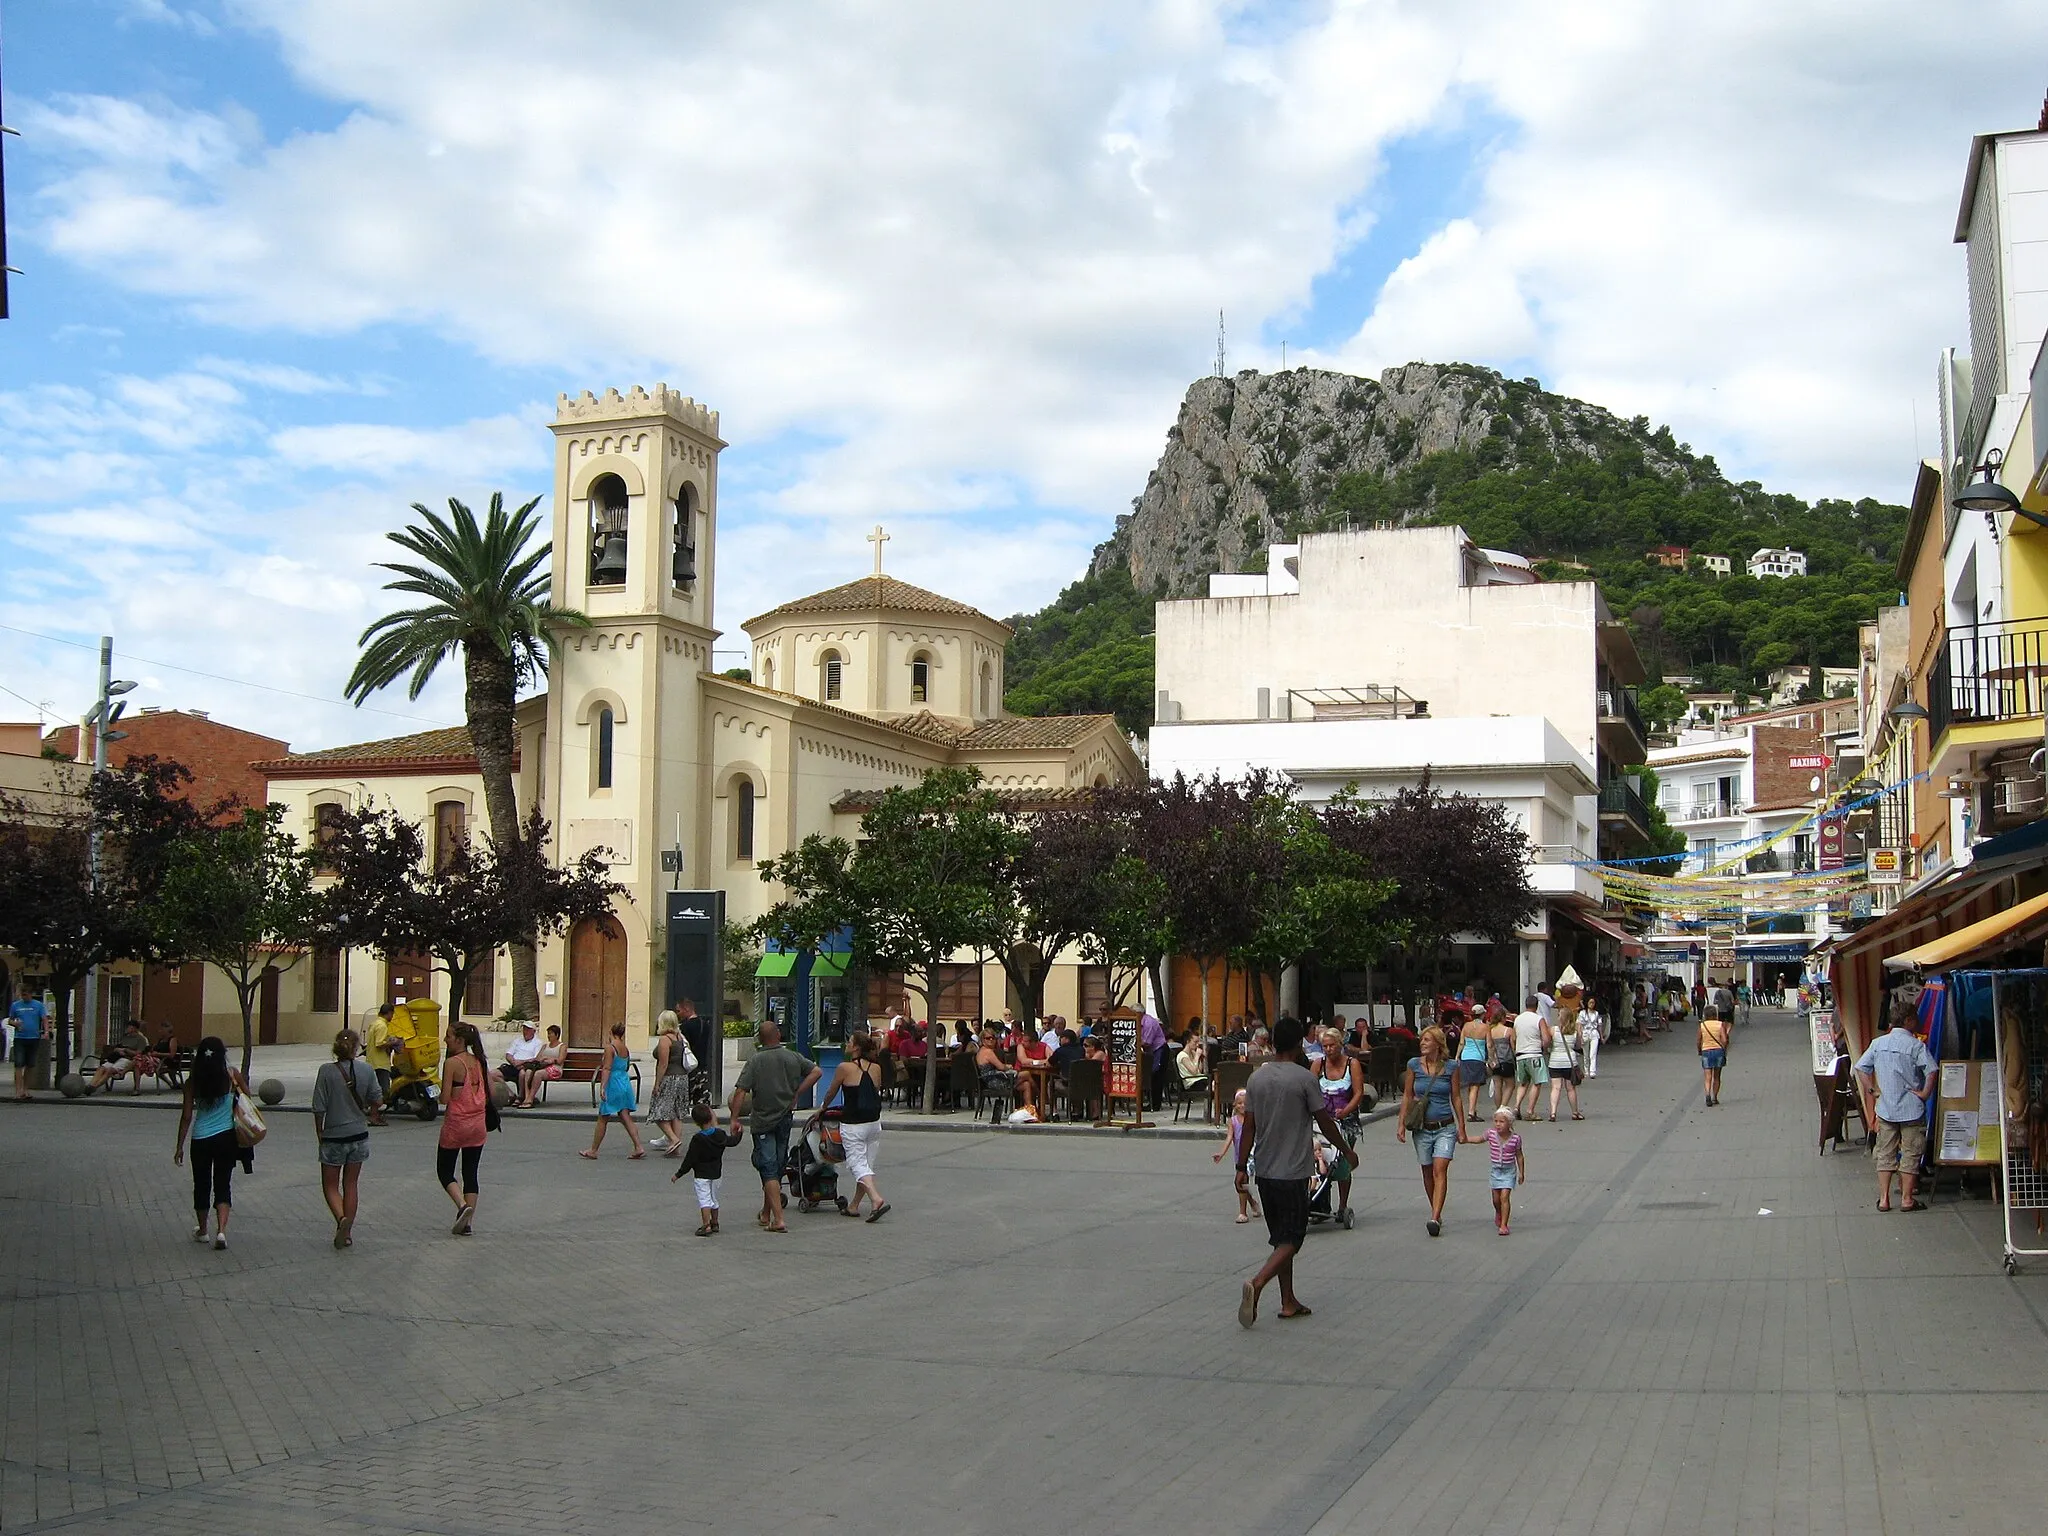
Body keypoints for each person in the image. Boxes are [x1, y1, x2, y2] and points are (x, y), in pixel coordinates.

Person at [1234, 1019, 1356, 1326]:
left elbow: (1248, 1126)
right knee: (1293, 1239)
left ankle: (1288, 1301)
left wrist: (1239, 1168)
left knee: (1280, 1238)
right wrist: (1346, 1150)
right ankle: (1257, 1283)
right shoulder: (1304, 1079)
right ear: (1299, 1044)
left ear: (1274, 1043)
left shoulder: (1257, 1079)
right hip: (1294, 1171)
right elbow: (1325, 1121)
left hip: (1264, 1170)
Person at [728, 1019, 820, 1231]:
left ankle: (778, 1219)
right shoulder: (792, 1056)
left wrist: (734, 1119)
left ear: (760, 1039)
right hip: (784, 1118)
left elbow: (741, 1091)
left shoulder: (755, 1061)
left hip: (762, 1121)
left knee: (767, 1166)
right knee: (777, 1164)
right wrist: (797, 1092)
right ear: (778, 1035)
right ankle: (766, 1212)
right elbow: (816, 1072)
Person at [1856, 999, 1936, 1212]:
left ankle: (1884, 1199)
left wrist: (1872, 1090)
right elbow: (1932, 1071)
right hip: (1912, 1107)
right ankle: (1907, 1199)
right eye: (1915, 1019)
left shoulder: (1878, 1043)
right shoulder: (1916, 1045)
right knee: (1911, 1153)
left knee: (1885, 1152)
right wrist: (1925, 1093)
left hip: (1886, 1107)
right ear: (1908, 1020)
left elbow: (1861, 1068)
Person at [311, 1028, 383, 1248]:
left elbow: (318, 1107)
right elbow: (377, 1099)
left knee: (330, 1186)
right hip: (359, 1135)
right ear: (356, 1047)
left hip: (334, 1135)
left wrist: (319, 1132)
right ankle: (348, 1232)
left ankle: (341, 1218)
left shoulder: (326, 1071)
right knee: (351, 1183)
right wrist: (371, 1112)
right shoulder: (366, 1069)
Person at [1397, 1025, 1470, 1236]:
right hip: (1421, 1128)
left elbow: (1456, 1097)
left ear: (1438, 1044)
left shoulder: (1451, 1067)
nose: (1422, 1044)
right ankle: (1434, 1209)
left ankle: (1435, 1217)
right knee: (1427, 1172)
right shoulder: (1414, 1065)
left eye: (1427, 1040)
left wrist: (1462, 1126)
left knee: (1440, 1169)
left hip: (1445, 1126)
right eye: (1421, 1040)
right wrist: (1401, 1124)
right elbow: (1407, 1095)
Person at [175, 1037, 246, 1249]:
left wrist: (179, 1145)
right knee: (223, 1183)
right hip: (226, 1138)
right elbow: (247, 1098)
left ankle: (203, 1230)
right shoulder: (231, 1075)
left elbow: (187, 1116)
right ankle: (222, 1231)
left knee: (202, 1184)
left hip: (200, 1139)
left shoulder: (192, 1083)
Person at [819, 1030, 889, 1221]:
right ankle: (854, 1206)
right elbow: (875, 1090)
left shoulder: (844, 1068)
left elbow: (832, 1091)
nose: (847, 1044)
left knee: (857, 1165)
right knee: (865, 1166)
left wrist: (823, 1107)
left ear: (856, 1047)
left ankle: (876, 1199)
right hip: (873, 1123)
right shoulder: (876, 1068)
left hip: (853, 1123)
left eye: (850, 1041)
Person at [438, 1022, 491, 1235]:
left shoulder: (452, 1063)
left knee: (444, 1170)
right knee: (471, 1172)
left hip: (456, 1123)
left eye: (448, 1036)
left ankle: (462, 1205)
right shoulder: (479, 1061)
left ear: (459, 1040)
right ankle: (467, 1225)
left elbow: (444, 1098)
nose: (445, 1040)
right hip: (477, 1123)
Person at [1316, 1027, 1365, 1223]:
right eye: (1325, 1046)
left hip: (1346, 1122)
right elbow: (1309, 1088)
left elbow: (1359, 1092)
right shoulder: (1318, 1064)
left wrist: (1346, 1110)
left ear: (1340, 1044)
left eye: (1332, 1045)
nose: (1328, 1050)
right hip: (1322, 1121)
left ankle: (1342, 1204)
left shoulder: (1352, 1064)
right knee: (1321, 1157)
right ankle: (1320, 1201)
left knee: (1342, 1160)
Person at [671, 1103, 743, 1235]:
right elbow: (733, 1142)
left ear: (696, 1122)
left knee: (704, 1199)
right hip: (716, 1173)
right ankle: (715, 1222)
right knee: (714, 1198)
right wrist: (739, 1133)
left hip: (701, 1174)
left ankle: (706, 1225)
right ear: (711, 1118)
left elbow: (690, 1160)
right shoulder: (720, 1135)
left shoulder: (697, 1139)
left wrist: (678, 1174)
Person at [581, 1022, 646, 1160]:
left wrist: (603, 1086)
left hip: (613, 1082)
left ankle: (594, 1150)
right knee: (625, 1115)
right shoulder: (625, 1049)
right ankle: (638, 1145)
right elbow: (627, 1066)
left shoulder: (610, 1048)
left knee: (603, 1116)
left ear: (611, 1032)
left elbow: (607, 1068)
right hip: (624, 1081)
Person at [648, 1011, 696, 1154]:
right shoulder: (679, 1037)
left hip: (670, 1077)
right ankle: (675, 1146)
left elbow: (663, 1064)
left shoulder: (665, 1039)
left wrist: (657, 1083)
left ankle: (673, 1139)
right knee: (676, 1112)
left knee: (658, 1112)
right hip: (682, 1077)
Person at [1214, 1087, 1261, 1223]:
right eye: (1239, 1103)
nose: (1242, 1106)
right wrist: (1221, 1153)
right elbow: (1229, 1138)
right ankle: (1246, 1207)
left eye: (1245, 1103)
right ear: (1234, 1105)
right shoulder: (1233, 1121)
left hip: (1254, 1154)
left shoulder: (1253, 1119)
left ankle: (1246, 1207)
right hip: (1240, 1157)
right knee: (1240, 1182)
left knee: (1245, 1181)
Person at [1486, 1105, 1526, 1236]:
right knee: (1496, 1200)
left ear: (1509, 1123)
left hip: (1509, 1172)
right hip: (1495, 1171)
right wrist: (1465, 1139)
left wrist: (1521, 1173)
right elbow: (1479, 1139)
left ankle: (1504, 1225)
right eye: (1496, 1121)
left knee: (1504, 1197)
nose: (1498, 1124)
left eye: (1501, 1122)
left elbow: (1519, 1156)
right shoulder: (1491, 1134)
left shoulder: (1515, 1139)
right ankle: (1499, 1212)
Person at [88, 1021, 154, 1095]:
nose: (127, 1028)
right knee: (101, 1068)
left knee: (110, 1070)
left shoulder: (141, 1039)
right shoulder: (125, 1037)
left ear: (134, 1028)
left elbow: (138, 1053)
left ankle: (95, 1087)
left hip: (127, 1058)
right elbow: (117, 1047)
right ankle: (91, 1085)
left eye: (128, 1027)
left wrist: (126, 1050)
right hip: (116, 1057)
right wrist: (118, 1050)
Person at [1511, 996, 1549, 1120]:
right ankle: (1530, 1110)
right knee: (1536, 1083)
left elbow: (1513, 1038)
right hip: (1534, 1054)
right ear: (1537, 1005)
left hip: (1520, 1055)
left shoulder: (1518, 1019)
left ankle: (1516, 1107)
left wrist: (1515, 1050)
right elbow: (1546, 1038)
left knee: (1523, 1083)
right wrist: (1544, 1048)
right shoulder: (1539, 1019)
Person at [10, 983, 47, 1101]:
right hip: (20, 1038)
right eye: (22, 995)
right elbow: (10, 1019)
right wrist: (14, 1023)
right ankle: (18, 1091)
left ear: (30, 994)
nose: (24, 997)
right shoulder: (15, 1005)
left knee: (30, 1065)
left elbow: (44, 1018)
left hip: (33, 1037)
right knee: (19, 1064)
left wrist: (46, 1031)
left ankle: (26, 1089)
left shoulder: (38, 1005)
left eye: (26, 995)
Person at [1546, 1007, 1583, 1122]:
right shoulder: (1575, 1032)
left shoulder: (1553, 1030)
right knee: (1571, 1089)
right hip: (1570, 1063)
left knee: (1556, 1088)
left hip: (1555, 1062)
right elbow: (1578, 1046)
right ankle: (1575, 1112)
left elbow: (1548, 1043)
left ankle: (1553, 1113)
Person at [515, 1024, 564, 1107]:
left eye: (551, 1033)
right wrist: (540, 1059)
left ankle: (530, 1098)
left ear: (557, 1035)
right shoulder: (545, 1046)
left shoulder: (562, 1046)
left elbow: (560, 1060)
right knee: (528, 1071)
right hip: (543, 1067)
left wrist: (550, 1059)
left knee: (538, 1074)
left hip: (555, 1069)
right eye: (548, 1033)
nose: (549, 1036)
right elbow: (537, 1058)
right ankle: (526, 1097)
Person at [362, 1002, 396, 1124]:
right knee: (383, 1090)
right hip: (380, 1063)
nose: (392, 1017)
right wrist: (393, 1043)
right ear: (389, 1013)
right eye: (392, 1014)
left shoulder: (374, 1023)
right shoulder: (382, 1026)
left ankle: (372, 1113)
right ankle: (374, 1116)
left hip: (372, 1061)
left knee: (374, 1089)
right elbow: (379, 1043)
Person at [1456, 1007, 1490, 1121]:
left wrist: (1457, 1056)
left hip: (1465, 1056)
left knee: (1470, 1085)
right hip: (1478, 1058)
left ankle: (1472, 1109)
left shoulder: (1466, 1026)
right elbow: (1489, 1045)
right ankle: (1471, 1112)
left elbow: (1461, 1042)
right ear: (1482, 1015)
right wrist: (1491, 1058)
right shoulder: (1485, 1027)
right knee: (1475, 1085)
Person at [1698, 1006, 1731, 1108]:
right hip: (1718, 1051)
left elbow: (1698, 1040)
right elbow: (1724, 1040)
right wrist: (1724, 1049)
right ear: (1715, 1014)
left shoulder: (1702, 1025)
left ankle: (1707, 1094)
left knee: (1708, 1076)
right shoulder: (1720, 1024)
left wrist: (1699, 1050)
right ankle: (1714, 1098)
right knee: (1717, 1077)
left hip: (1706, 1051)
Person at [500, 1019, 543, 1095]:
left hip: (526, 1066)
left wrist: (521, 1062)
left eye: (528, 1029)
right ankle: (511, 1095)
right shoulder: (517, 1041)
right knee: (493, 1074)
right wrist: (514, 1062)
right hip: (514, 1065)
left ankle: (521, 1096)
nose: (525, 1031)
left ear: (533, 1031)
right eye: (524, 1029)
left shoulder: (538, 1043)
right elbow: (508, 1054)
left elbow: (536, 1058)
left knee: (522, 1073)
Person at [1578, 999, 1604, 1079]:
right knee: (1586, 1054)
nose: (1592, 1004)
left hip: (1594, 1034)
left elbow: (1599, 1026)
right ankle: (1586, 1070)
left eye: (1593, 1003)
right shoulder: (1582, 1013)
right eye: (1590, 1002)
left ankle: (1592, 1071)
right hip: (1585, 1034)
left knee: (1593, 1053)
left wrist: (1602, 1036)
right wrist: (1580, 1036)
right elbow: (1579, 1025)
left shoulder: (1596, 1013)